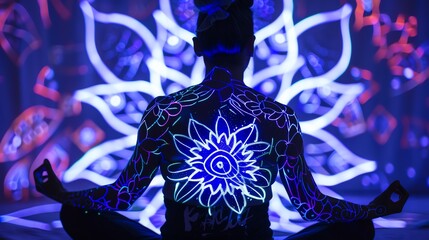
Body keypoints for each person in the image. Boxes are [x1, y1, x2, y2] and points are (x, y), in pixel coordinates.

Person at [33, 0, 409, 239]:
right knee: (357, 230)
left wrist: (64, 195)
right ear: (251, 47)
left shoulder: (163, 112)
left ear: (197, 47)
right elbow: (311, 206)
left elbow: (122, 195)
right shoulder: (279, 118)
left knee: (75, 214)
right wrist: (373, 210)